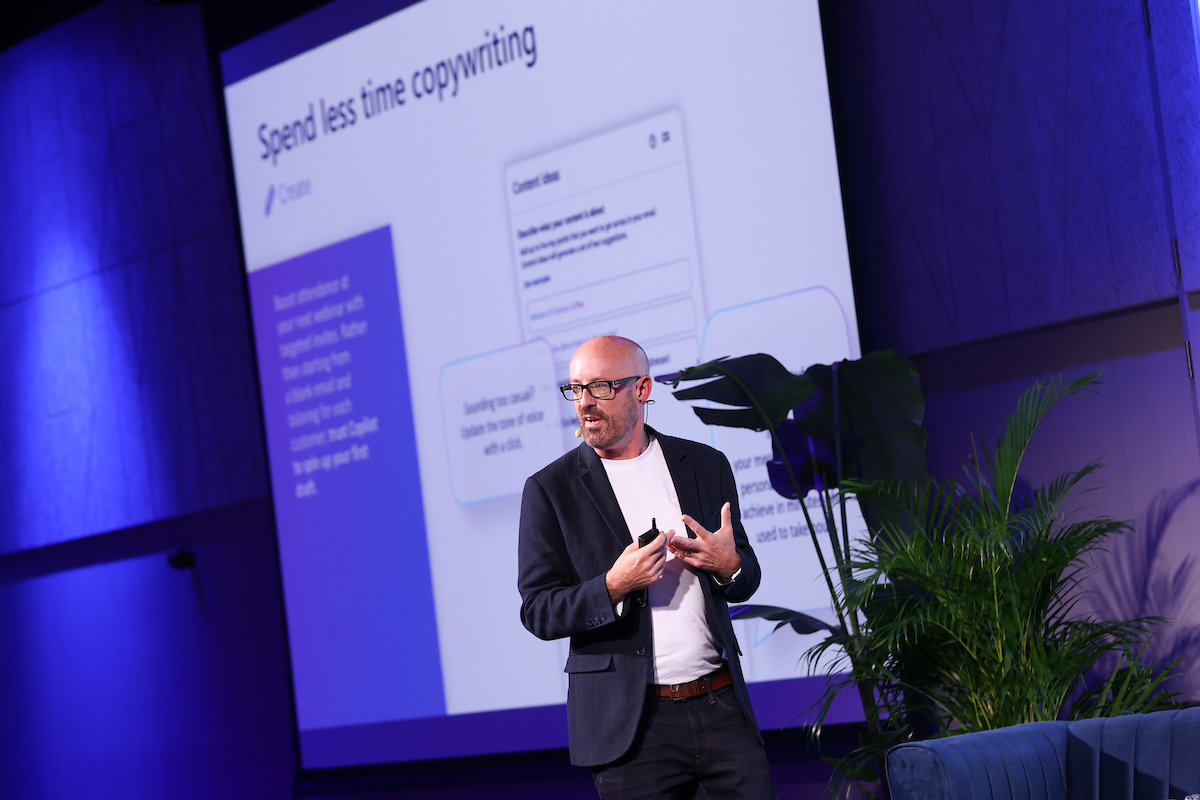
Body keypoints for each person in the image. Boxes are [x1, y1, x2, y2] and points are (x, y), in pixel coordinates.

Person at [518, 335, 775, 799]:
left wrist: (728, 564)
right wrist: (612, 587)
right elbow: (538, 610)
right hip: (633, 727)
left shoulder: (703, 464)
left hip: (720, 706)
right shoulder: (550, 490)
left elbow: (746, 575)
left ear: (641, 389)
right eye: (575, 389)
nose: (584, 404)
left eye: (600, 387)